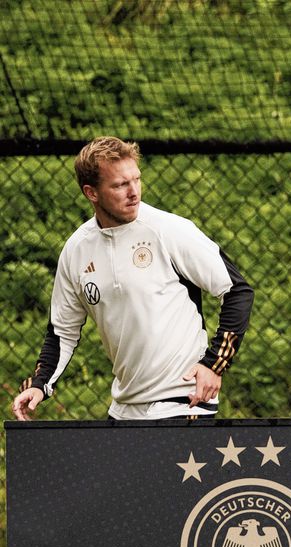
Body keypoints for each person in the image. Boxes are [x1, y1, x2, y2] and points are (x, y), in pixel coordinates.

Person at [11, 136, 253, 421]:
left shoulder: (169, 230)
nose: (134, 192)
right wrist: (40, 385)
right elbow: (62, 331)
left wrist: (214, 365)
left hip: (184, 401)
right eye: (119, 185)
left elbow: (237, 290)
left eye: (136, 180)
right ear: (92, 193)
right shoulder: (76, 250)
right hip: (125, 410)